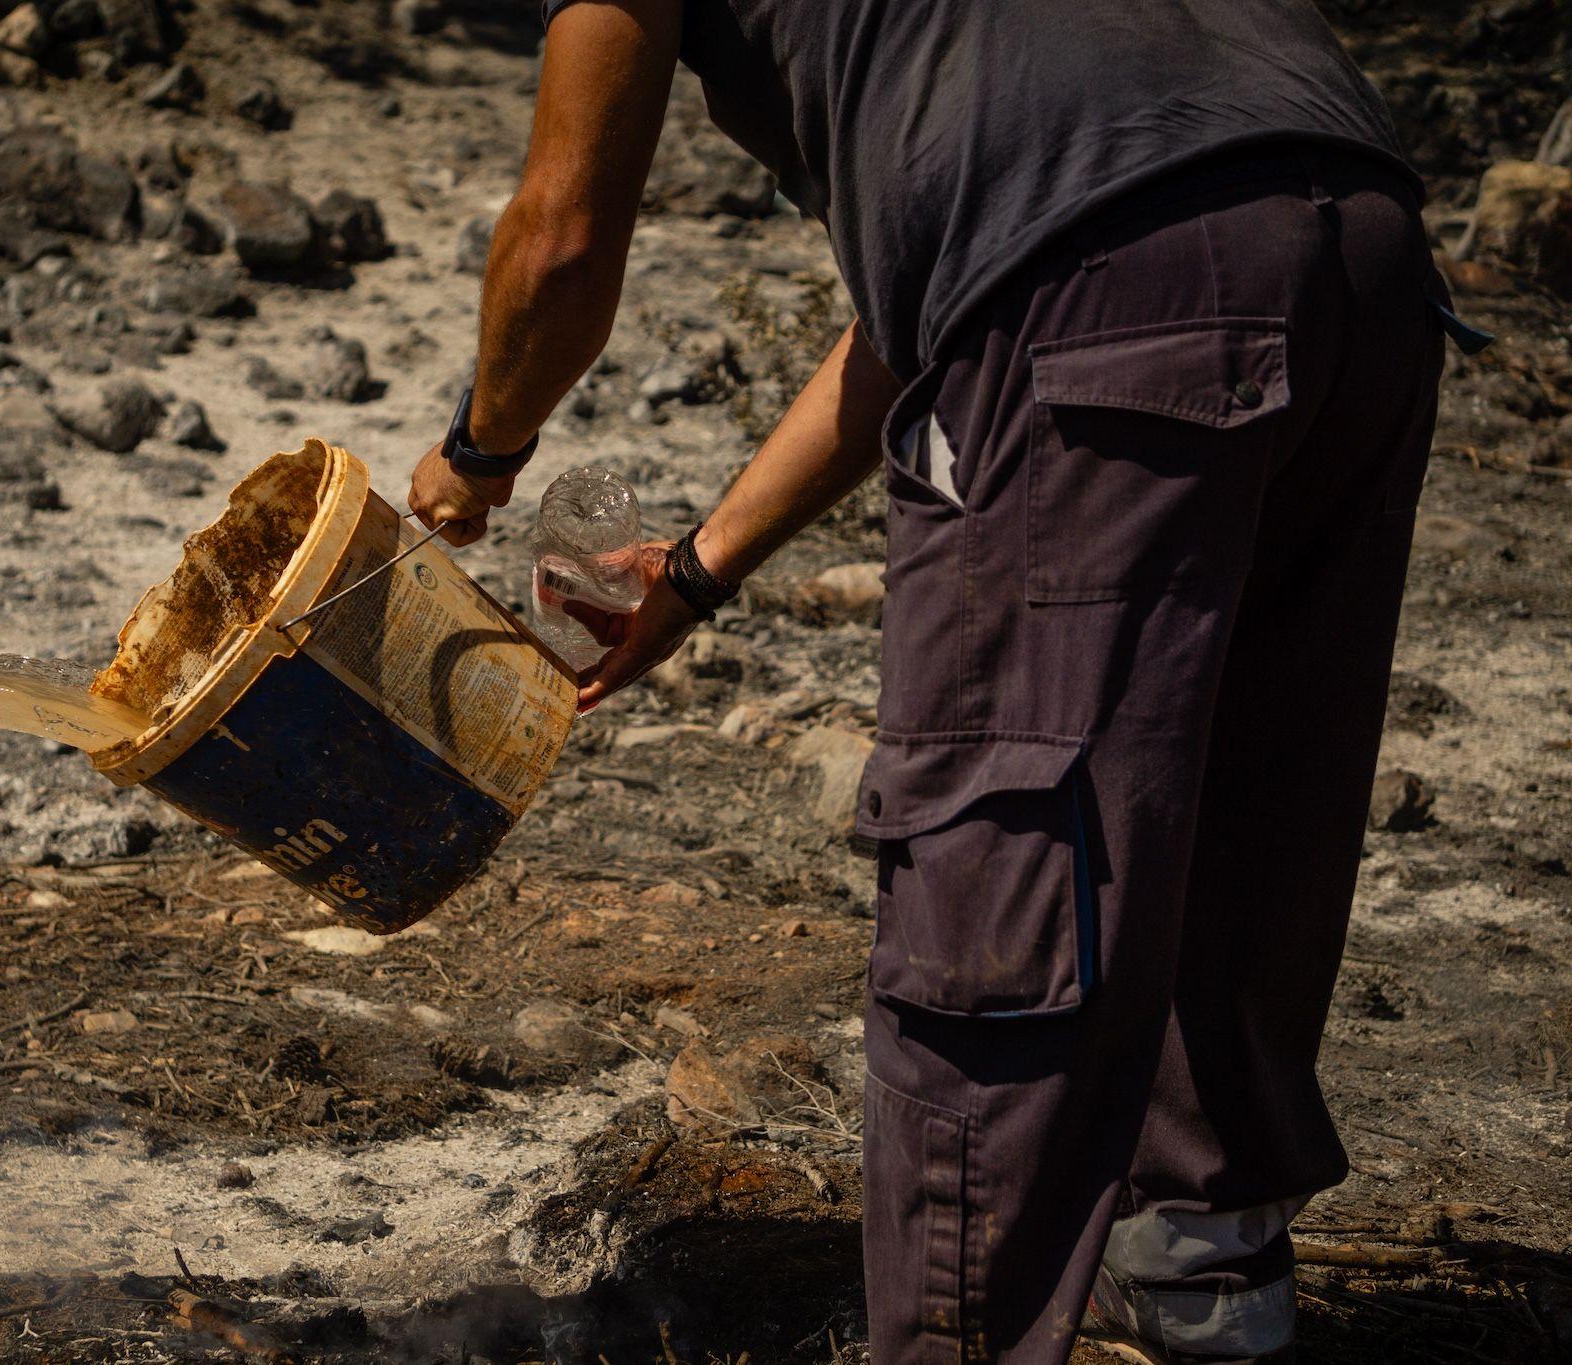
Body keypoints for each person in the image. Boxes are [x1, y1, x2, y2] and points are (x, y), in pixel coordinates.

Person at [407, 3, 1477, 1361]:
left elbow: (559, 242)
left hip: (1113, 277)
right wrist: (691, 573)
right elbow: (936, 304)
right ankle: (1206, 1269)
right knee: (1249, 778)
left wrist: (479, 449)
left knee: (1000, 848)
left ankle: (964, 1331)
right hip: (1358, 240)